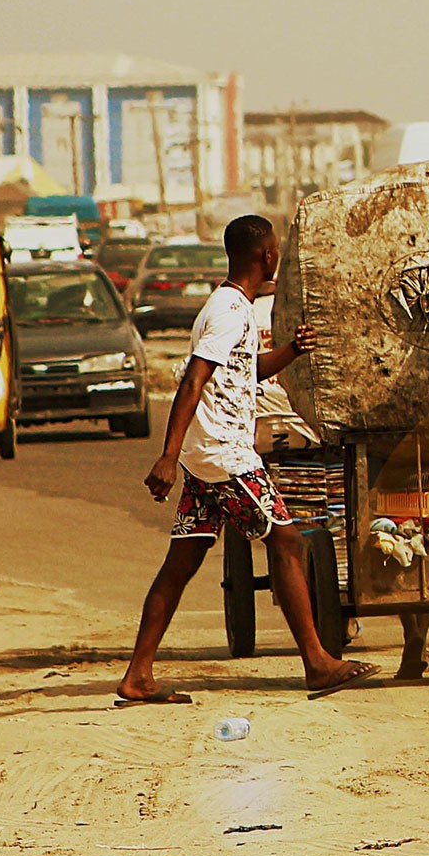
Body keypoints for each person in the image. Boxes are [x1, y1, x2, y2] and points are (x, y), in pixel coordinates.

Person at [115, 215, 375, 705]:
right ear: (268, 257)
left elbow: (247, 372)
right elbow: (194, 379)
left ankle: (138, 675)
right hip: (225, 456)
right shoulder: (229, 311)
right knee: (288, 540)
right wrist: (167, 457)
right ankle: (317, 662)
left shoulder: (233, 308)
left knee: (182, 562)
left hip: (206, 459)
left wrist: (293, 351)